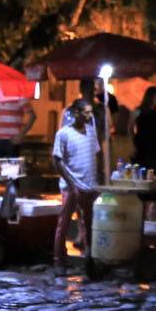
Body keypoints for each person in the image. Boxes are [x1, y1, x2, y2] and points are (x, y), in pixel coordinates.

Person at [53, 99, 100, 266]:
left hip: (90, 185)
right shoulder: (63, 134)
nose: (89, 116)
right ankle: (59, 260)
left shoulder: (92, 132)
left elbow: (96, 155)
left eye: (90, 112)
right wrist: (71, 184)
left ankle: (91, 259)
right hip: (71, 187)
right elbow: (57, 161)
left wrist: (98, 180)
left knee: (89, 224)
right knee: (63, 224)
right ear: (76, 113)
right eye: (86, 112)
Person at [133, 86, 156, 176]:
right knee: (142, 168)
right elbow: (130, 128)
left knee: (154, 169)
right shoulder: (138, 111)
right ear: (152, 97)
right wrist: (133, 142)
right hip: (141, 142)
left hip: (153, 143)